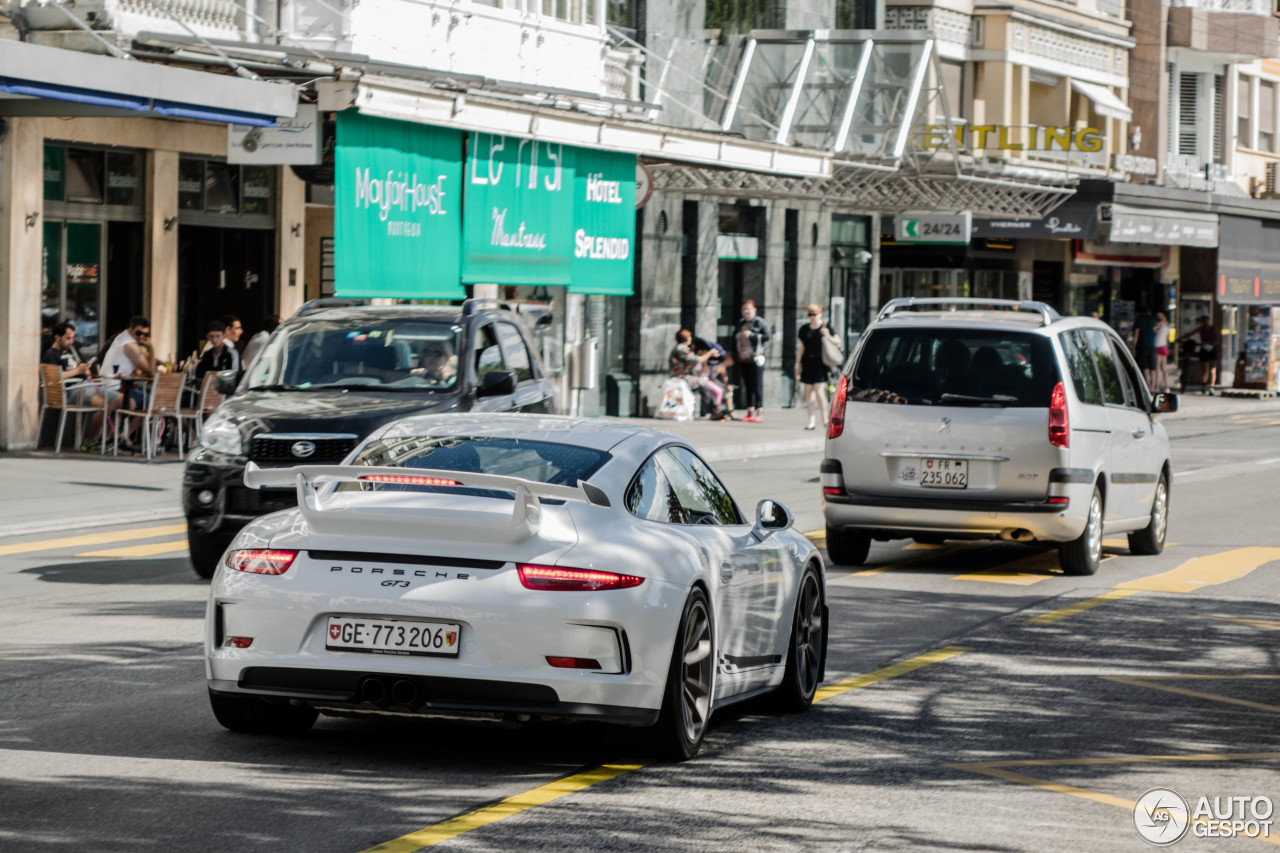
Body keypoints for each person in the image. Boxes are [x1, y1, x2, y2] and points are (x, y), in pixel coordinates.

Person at [41, 321, 118, 449]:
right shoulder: (51, 354)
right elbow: (55, 377)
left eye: (73, 338)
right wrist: (78, 371)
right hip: (70, 391)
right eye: (68, 338)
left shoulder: (71, 352)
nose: (71, 341)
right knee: (106, 405)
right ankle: (90, 441)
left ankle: (109, 439)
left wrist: (85, 369)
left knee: (122, 401)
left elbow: (81, 371)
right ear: (57, 337)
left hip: (86, 385)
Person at [795, 304, 836, 431]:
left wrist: (827, 335)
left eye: (814, 314)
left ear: (820, 314)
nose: (812, 317)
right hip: (808, 361)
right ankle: (811, 421)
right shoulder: (804, 329)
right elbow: (801, 348)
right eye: (810, 315)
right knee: (809, 392)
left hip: (821, 362)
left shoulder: (826, 327)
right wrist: (797, 365)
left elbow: (838, 342)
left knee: (819, 390)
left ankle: (825, 419)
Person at [669, 329, 725, 419]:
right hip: (680, 376)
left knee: (702, 385)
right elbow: (696, 360)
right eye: (689, 337)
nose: (691, 339)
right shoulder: (682, 348)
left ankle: (711, 410)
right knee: (703, 384)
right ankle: (713, 410)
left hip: (683, 376)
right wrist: (709, 353)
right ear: (686, 338)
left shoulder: (679, 348)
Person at [734, 300, 770, 422]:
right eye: (744, 309)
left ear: (754, 309)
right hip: (744, 357)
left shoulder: (759, 322)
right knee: (748, 385)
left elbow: (767, 337)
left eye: (748, 309)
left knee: (756, 385)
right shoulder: (741, 323)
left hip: (757, 358)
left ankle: (759, 411)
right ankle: (750, 411)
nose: (746, 311)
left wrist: (752, 335)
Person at [1184, 315, 1219, 391]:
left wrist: (1207, 342)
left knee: (1213, 369)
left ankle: (1212, 385)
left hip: (1212, 349)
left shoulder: (1213, 329)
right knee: (1205, 369)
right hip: (1204, 350)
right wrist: (1181, 338)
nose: (1205, 323)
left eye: (1206, 321)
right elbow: (1191, 333)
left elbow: (1216, 340)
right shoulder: (1201, 329)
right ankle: (1204, 384)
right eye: (1204, 322)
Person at [1131, 305, 1158, 390]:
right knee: (1153, 369)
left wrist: (1133, 347)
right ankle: (1153, 387)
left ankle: (1148, 387)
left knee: (1145, 368)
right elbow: (1156, 329)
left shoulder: (1138, 320)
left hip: (1142, 346)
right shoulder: (1153, 320)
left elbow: (1136, 334)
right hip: (1152, 346)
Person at [1153, 311, 1171, 393]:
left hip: (1158, 345)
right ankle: (1167, 386)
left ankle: (1156, 386)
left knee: (1158, 367)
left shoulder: (1160, 323)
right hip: (1163, 345)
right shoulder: (1167, 324)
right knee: (1163, 367)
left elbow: (1153, 329)